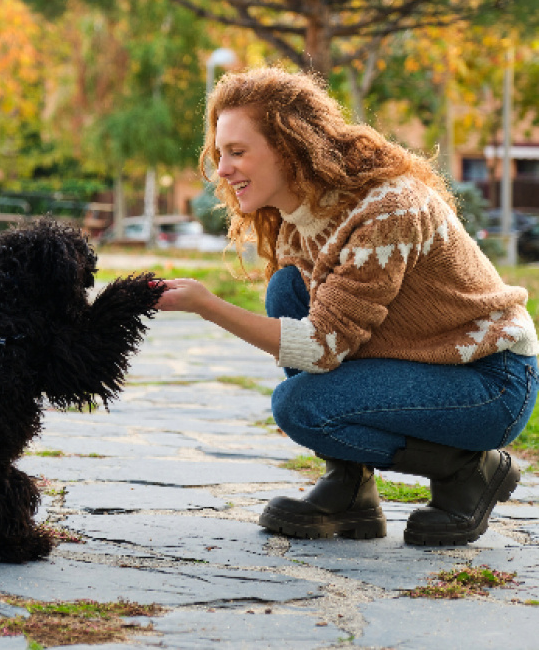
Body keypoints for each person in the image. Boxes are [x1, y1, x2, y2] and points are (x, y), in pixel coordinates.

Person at [156, 66, 539, 546]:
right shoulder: (304, 212)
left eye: (237, 152)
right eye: (219, 153)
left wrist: (207, 305)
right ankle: (349, 488)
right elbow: (322, 326)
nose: (223, 169)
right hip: (432, 360)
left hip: (489, 380)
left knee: (301, 408)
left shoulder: (386, 209)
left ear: (289, 147)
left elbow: (320, 348)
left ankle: (470, 471)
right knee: (287, 290)